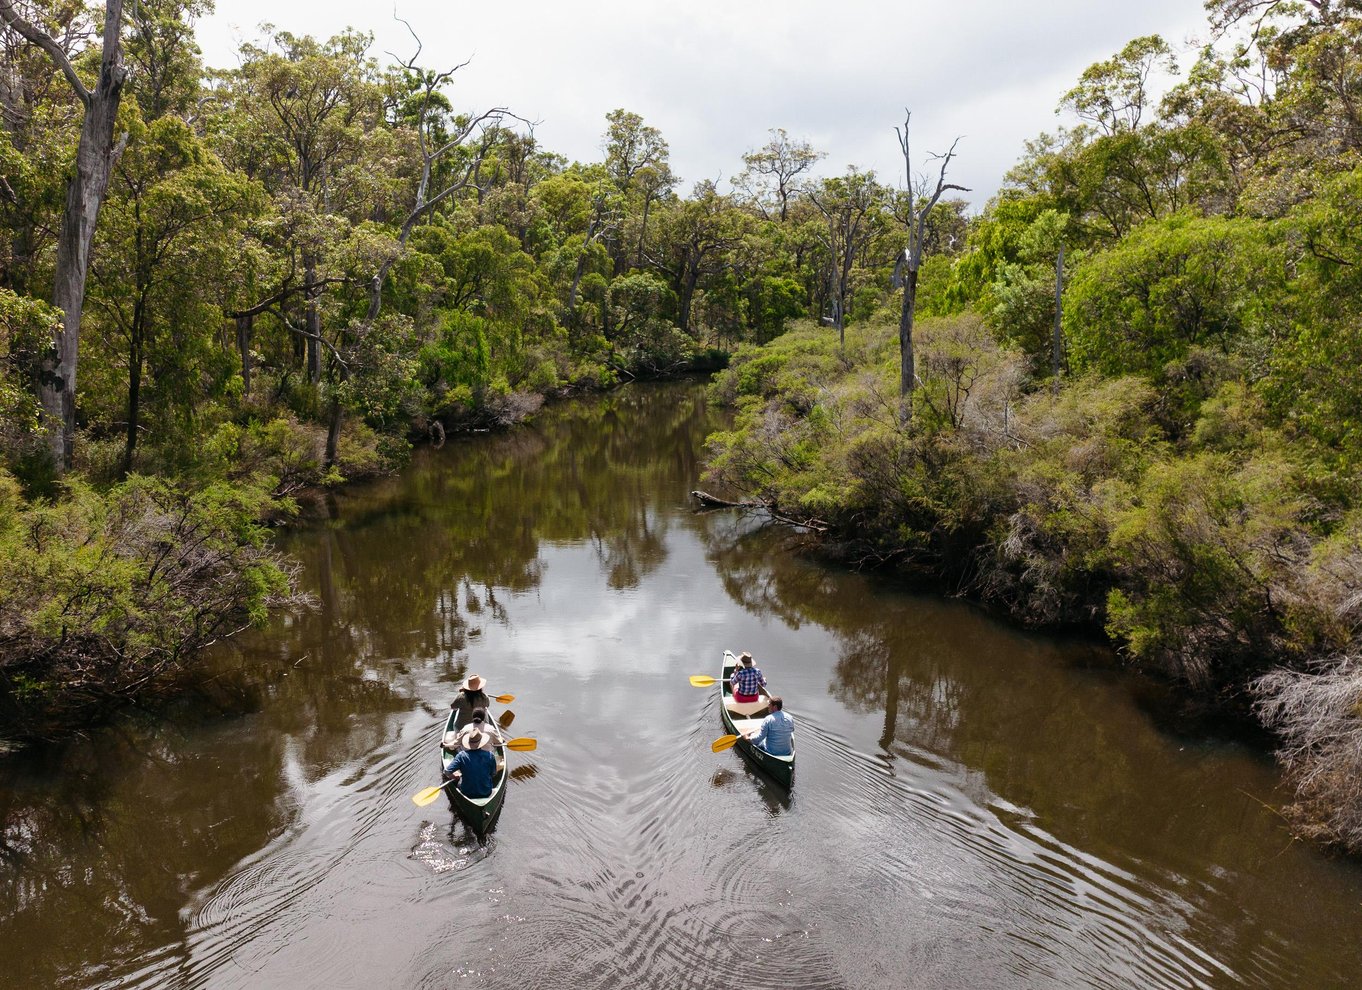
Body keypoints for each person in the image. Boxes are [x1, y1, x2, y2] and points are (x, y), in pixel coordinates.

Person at [443, 731, 497, 798]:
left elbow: (446, 772)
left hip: (466, 793)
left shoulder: (461, 756)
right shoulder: (490, 755)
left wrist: (454, 776)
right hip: (486, 792)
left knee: (458, 782)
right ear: (481, 742)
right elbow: (493, 774)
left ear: (468, 743)